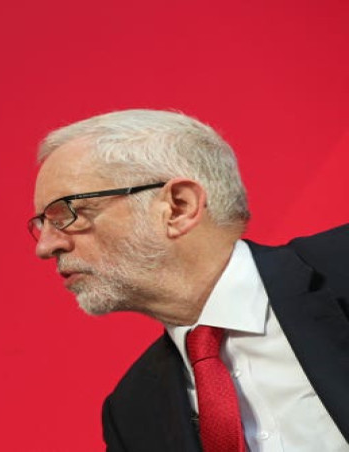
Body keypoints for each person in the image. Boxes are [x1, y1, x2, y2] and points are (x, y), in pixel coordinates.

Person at [29, 109, 349, 451]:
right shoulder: (132, 412)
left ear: (179, 207)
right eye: (40, 225)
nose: (47, 247)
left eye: (67, 214)